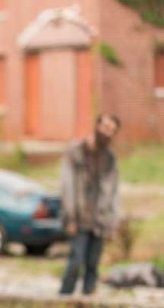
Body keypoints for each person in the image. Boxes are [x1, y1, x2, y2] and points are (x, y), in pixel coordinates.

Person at [59, 113, 122, 296]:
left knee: (93, 265)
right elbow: (67, 186)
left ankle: (88, 299)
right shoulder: (76, 151)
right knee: (75, 262)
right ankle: (64, 298)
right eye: (105, 127)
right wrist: (70, 217)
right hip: (78, 219)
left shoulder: (109, 158)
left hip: (99, 221)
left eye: (112, 130)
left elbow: (113, 192)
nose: (108, 133)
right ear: (97, 126)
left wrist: (112, 222)